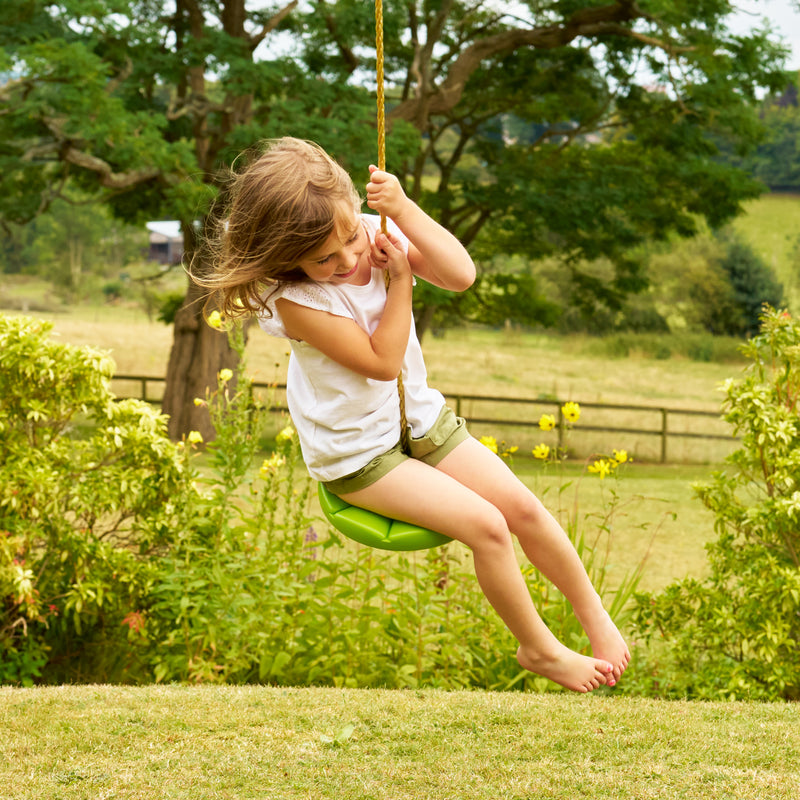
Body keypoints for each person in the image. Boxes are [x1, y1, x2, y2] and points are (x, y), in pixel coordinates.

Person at [199, 137, 630, 693]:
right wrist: (400, 280)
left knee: (523, 507)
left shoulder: (374, 234)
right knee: (489, 528)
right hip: (361, 455)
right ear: (286, 258)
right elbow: (381, 362)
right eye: (323, 258)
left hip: (419, 421)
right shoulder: (296, 301)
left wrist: (401, 210)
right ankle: (539, 648)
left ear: (356, 210)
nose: (348, 260)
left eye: (351, 237)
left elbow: (460, 276)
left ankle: (594, 616)